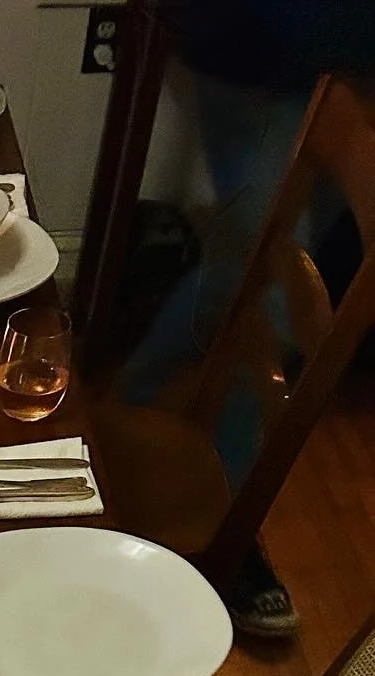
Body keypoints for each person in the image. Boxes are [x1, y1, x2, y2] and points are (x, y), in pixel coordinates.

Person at [122, 1, 375, 639]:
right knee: (262, 288)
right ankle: (227, 535)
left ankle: (134, 401)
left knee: (251, 272)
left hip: (322, 63)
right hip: (265, 57)